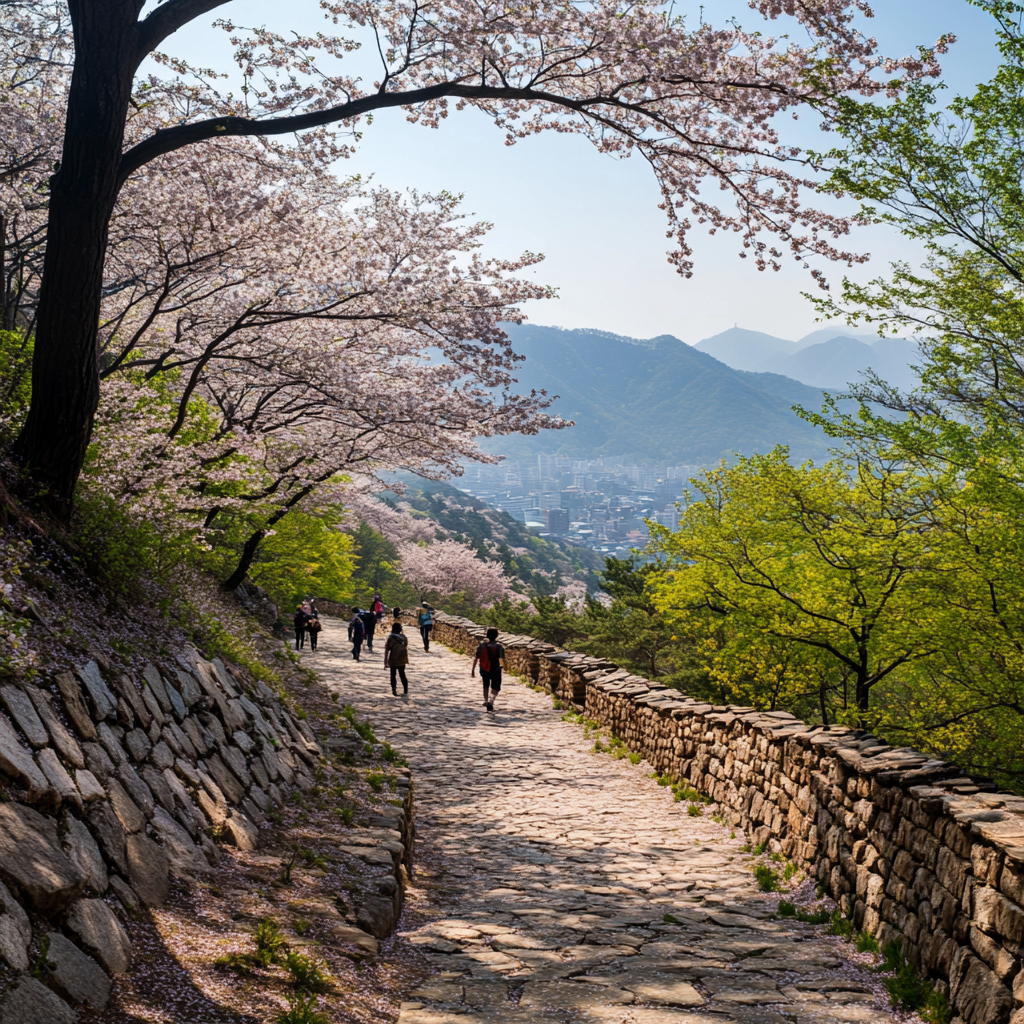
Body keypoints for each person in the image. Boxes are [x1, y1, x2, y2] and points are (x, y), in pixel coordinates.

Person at [471, 627, 506, 712]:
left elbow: (476, 657)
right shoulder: (499, 646)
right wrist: (505, 667)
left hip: (484, 667)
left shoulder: (482, 645)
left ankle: (486, 700)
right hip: (496, 668)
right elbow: (502, 658)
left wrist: (473, 670)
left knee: (485, 684)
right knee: (495, 687)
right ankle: (491, 700)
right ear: (496, 636)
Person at [383, 622, 410, 696]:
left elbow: (387, 650)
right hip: (402, 659)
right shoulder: (404, 637)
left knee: (393, 675)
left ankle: (394, 690)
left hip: (394, 658)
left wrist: (385, 662)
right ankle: (405, 689)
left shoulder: (391, 638)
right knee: (402, 674)